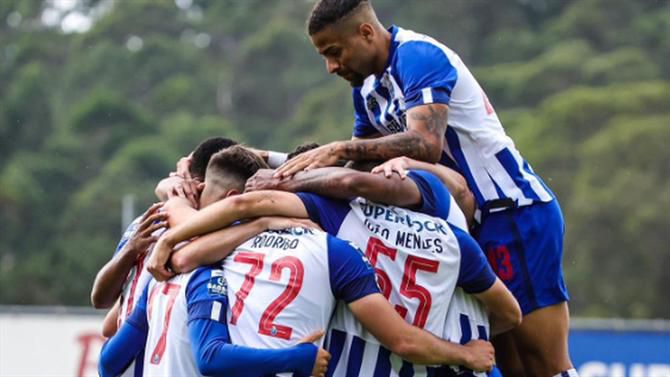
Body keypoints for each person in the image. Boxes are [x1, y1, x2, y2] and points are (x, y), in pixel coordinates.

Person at [271, 1, 576, 376]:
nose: (331, 67)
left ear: (366, 33)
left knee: (542, 364)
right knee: (502, 364)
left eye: (334, 52)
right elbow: (360, 165)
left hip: (511, 213)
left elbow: (425, 142)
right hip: (462, 227)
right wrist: (276, 172)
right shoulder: (367, 87)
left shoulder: (417, 56)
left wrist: (336, 149)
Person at [149, 163, 512, 375]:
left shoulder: (333, 229)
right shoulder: (454, 239)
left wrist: (169, 228)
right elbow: (511, 314)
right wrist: (468, 349)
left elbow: (194, 242)